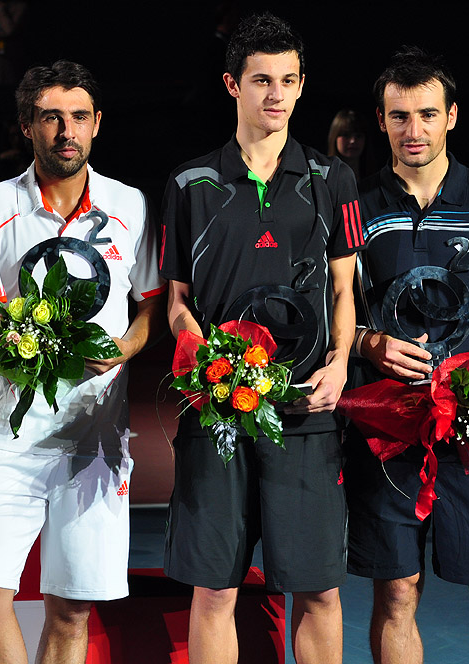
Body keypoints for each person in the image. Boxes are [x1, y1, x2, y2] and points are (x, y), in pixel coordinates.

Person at [160, 13, 363, 664]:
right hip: (219, 411)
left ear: (302, 87)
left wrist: (338, 363)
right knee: (214, 590)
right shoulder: (189, 183)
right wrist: (207, 363)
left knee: (319, 590)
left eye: (288, 80)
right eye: (261, 80)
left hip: (306, 410)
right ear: (231, 85)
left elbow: (343, 292)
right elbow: (177, 304)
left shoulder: (336, 182)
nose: (276, 94)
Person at [0, 60, 167, 664]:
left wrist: (120, 350)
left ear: (97, 124)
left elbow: (153, 306)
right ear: (27, 126)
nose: (65, 130)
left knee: (72, 607)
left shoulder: (130, 205)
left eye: (78, 117)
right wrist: (4, 333)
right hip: (6, 434)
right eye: (50, 117)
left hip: (94, 440)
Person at [346, 47, 469, 664]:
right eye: (399, 117)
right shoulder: (354, 206)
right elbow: (338, 316)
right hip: (389, 431)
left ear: (451, 116)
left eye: (427, 114)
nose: (414, 130)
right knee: (397, 593)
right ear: (380, 121)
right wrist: (367, 343)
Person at [327, 108, 373, 179]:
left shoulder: (377, 178)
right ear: (334, 138)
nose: (353, 141)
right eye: (346, 135)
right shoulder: (323, 178)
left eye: (358, 136)